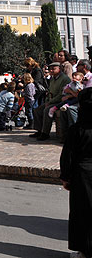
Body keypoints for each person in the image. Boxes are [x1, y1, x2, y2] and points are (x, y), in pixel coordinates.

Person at [60, 87, 92, 258]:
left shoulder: (77, 129)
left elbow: (68, 156)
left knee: (83, 214)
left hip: (83, 175)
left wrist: (65, 177)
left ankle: (85, 251)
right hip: (83, 173)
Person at [31, 62, 71, 141]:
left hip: (60, 101)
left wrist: (50, 102)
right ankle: (39, 130)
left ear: (59, 69)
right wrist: (47, 100)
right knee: (37, 110)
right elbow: (49, 91)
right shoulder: (53, 79)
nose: (51, 70)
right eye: (50, 69)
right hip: (51, 100)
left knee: (47, 110)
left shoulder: (65, 79)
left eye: (54, 69)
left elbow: (61, 94)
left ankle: (45, 133)